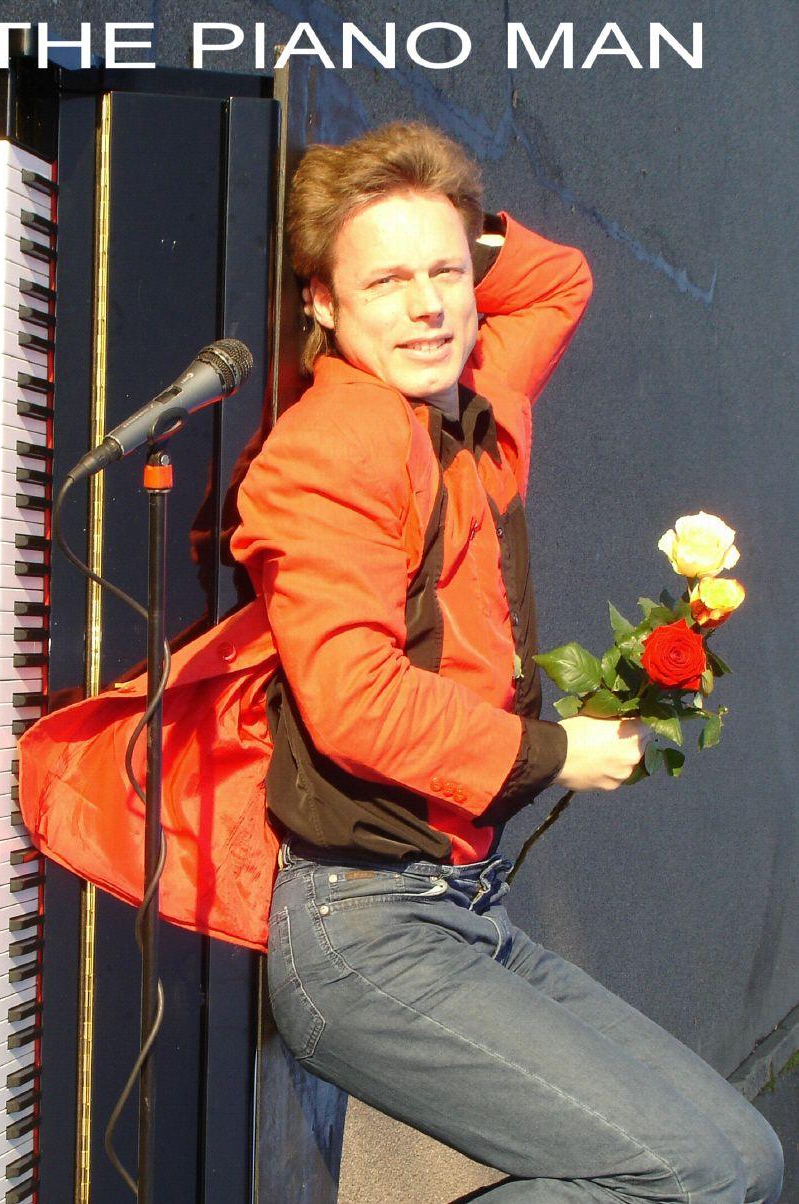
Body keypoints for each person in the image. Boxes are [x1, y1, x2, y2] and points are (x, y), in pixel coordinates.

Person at [225, 123, 784, 1202]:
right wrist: (555, 750)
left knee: (747, 1160)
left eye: (446, 274)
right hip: (364, 933)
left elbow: (558, 280)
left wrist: (433, 211)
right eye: (385, 282)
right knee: (687, 1181)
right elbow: (354, 702)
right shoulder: (331, 451)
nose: (429, 307)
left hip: (463, 905)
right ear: (322, 303)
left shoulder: (472, 398)